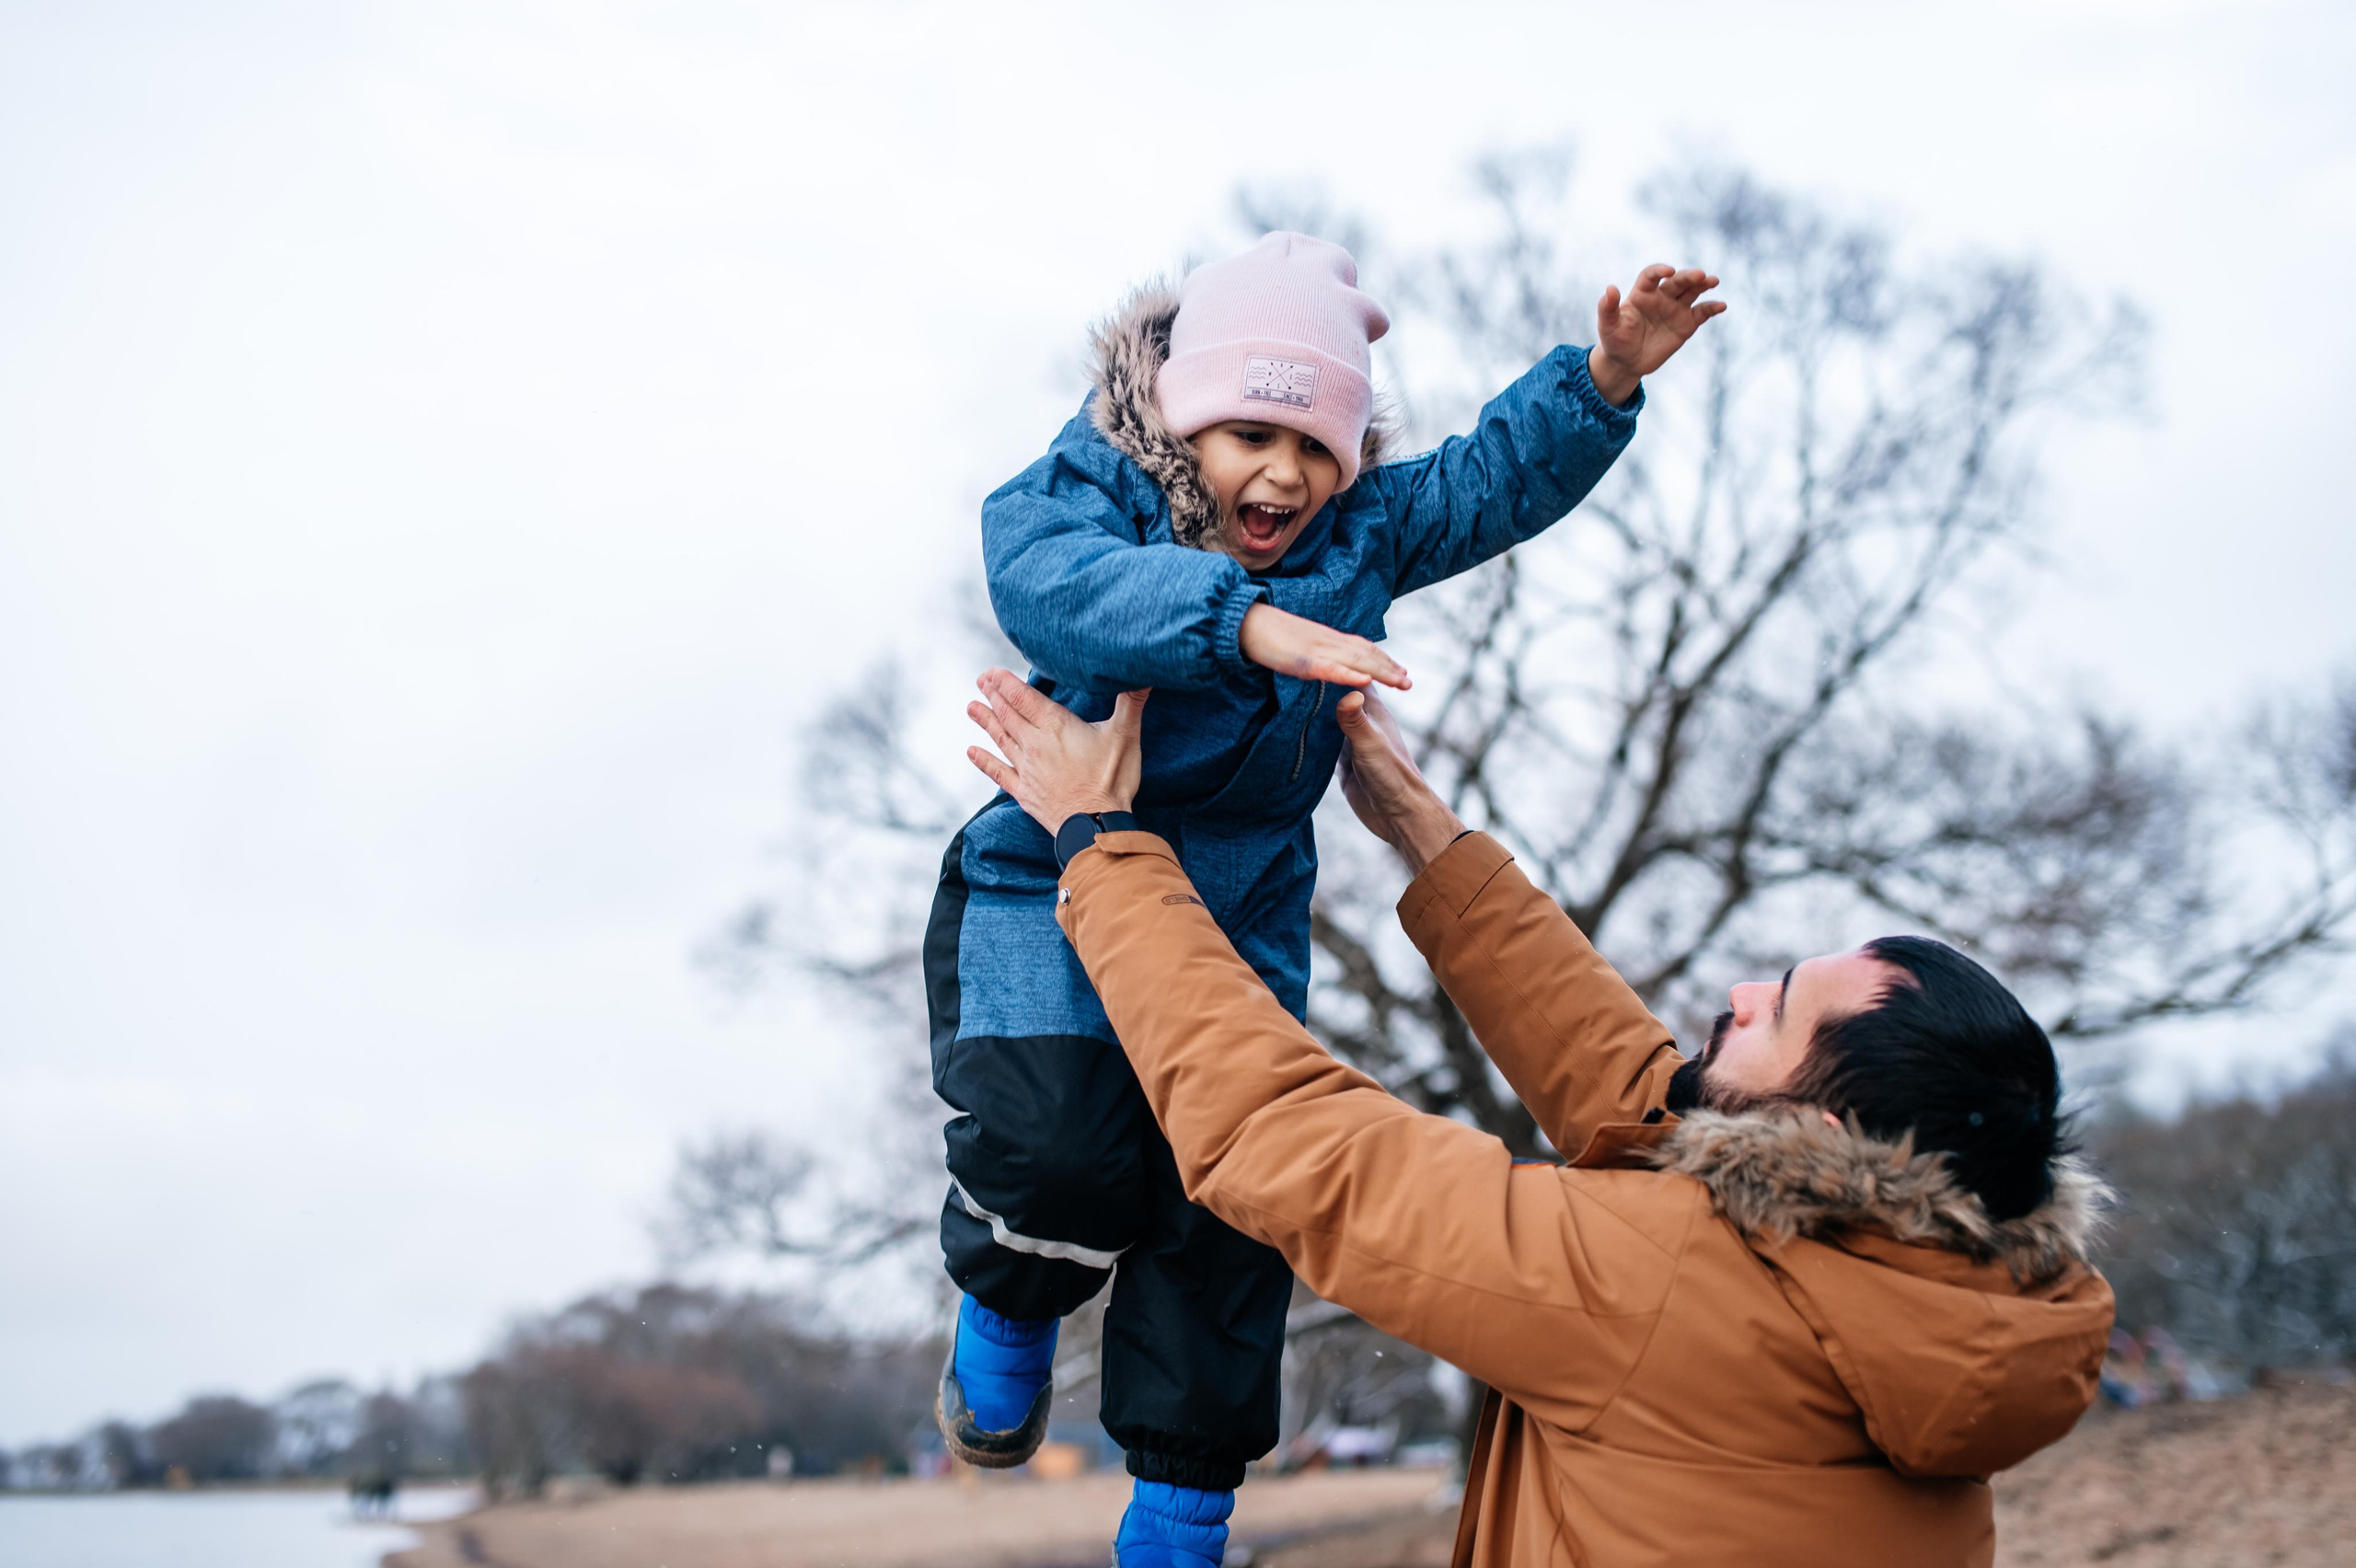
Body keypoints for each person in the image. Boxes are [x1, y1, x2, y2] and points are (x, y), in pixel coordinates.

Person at [929, 230, 1723, 1563]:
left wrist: (1602, 380)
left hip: (1239, 909)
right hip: (1051, 884)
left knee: (1239, 1192)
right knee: (1060, 1151)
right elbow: (1044, 578)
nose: (1284, 474)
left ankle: (1181, 1514)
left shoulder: (1358, 534)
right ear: (1185, 420)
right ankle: (1005, 1315)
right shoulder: (1098, 483)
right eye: (1251, 432)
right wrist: (1239, 622)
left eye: (1317, 447)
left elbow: (1485, 483)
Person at [961, 670, 2116, 1568]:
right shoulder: (1939, 1302)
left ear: (1825, 1143)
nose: (1738, 998)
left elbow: (1289, 1142)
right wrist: (1424, 836)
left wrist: (1100, 843)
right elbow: (1655, 1111)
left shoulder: (1658, 1291)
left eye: (1781, 1017)